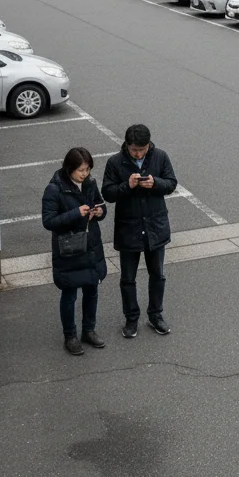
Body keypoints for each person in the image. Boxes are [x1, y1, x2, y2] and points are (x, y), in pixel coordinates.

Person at [101, 123, 178, 338]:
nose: (137, 153)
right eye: (134, 149)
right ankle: (131, 319)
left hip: (155, 227)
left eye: (141, 150)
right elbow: (107, 193)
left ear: (148, 145)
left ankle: (156, 315)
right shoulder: (115, 162)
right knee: (128, 278)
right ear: (126, 145)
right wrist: (128, 185)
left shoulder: (160, 156)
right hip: (129, 228)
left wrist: (155, 183)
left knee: (158, 275)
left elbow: (172, 183)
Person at [42, 147, 108, 356]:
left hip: (90, 246)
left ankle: (89, 330)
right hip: (69, 249)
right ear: (69, 168)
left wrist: (99, 212)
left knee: (92, 290)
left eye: (87, 169)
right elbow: (49, 221)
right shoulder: (54, 189)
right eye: (81, 170)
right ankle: (70, 335)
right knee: (69, 294)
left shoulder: (90, 183)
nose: (85, 174)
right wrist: (75, 213)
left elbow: (102, 207)